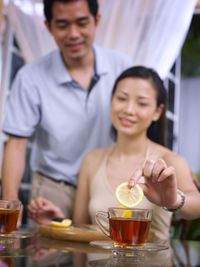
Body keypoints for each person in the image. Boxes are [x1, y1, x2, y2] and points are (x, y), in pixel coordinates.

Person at [28, 66, 200, 241]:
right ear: (112, 100)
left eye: (141, 103)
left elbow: (197, 206)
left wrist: (174, 201)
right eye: (122, 99)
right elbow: (82, 227)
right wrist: (58, 221)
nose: (129, 110)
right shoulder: (92, 160)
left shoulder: (169, 161)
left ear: (157, 112)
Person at [1, 0, 132, 227]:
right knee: (45, 256)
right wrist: (10, 203)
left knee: (106, 258)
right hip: (53, 189)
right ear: (48, 27)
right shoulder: (30, 77)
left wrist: (171, 166)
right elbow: (17, 144)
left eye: (82, 23)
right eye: (62, 25)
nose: (73, 34)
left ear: (96, 21)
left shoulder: (121, 66)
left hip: (105, 187)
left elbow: (142, 124)